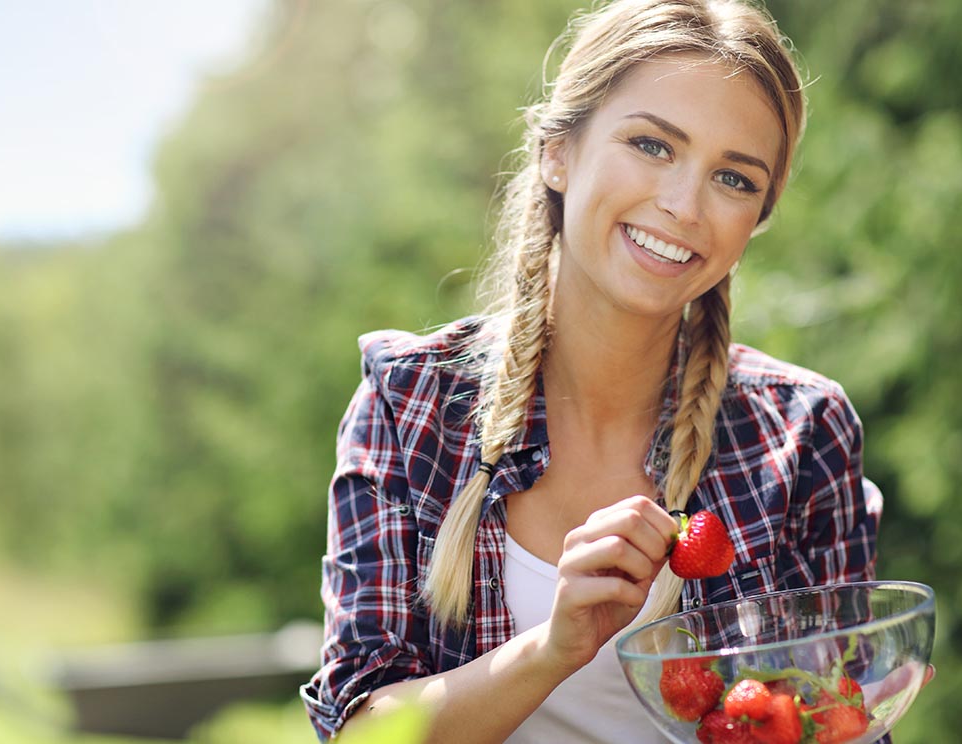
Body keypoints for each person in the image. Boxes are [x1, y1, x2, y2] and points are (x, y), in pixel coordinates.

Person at [301, 0, 882, 741]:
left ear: (756, 218)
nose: (682, 205)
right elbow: (359, 731)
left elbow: (838, 716)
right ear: (558, 152)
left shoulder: (801, 434)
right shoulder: (410, 399)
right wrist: (554, 648)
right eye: (652, 144)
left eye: (734, 179)